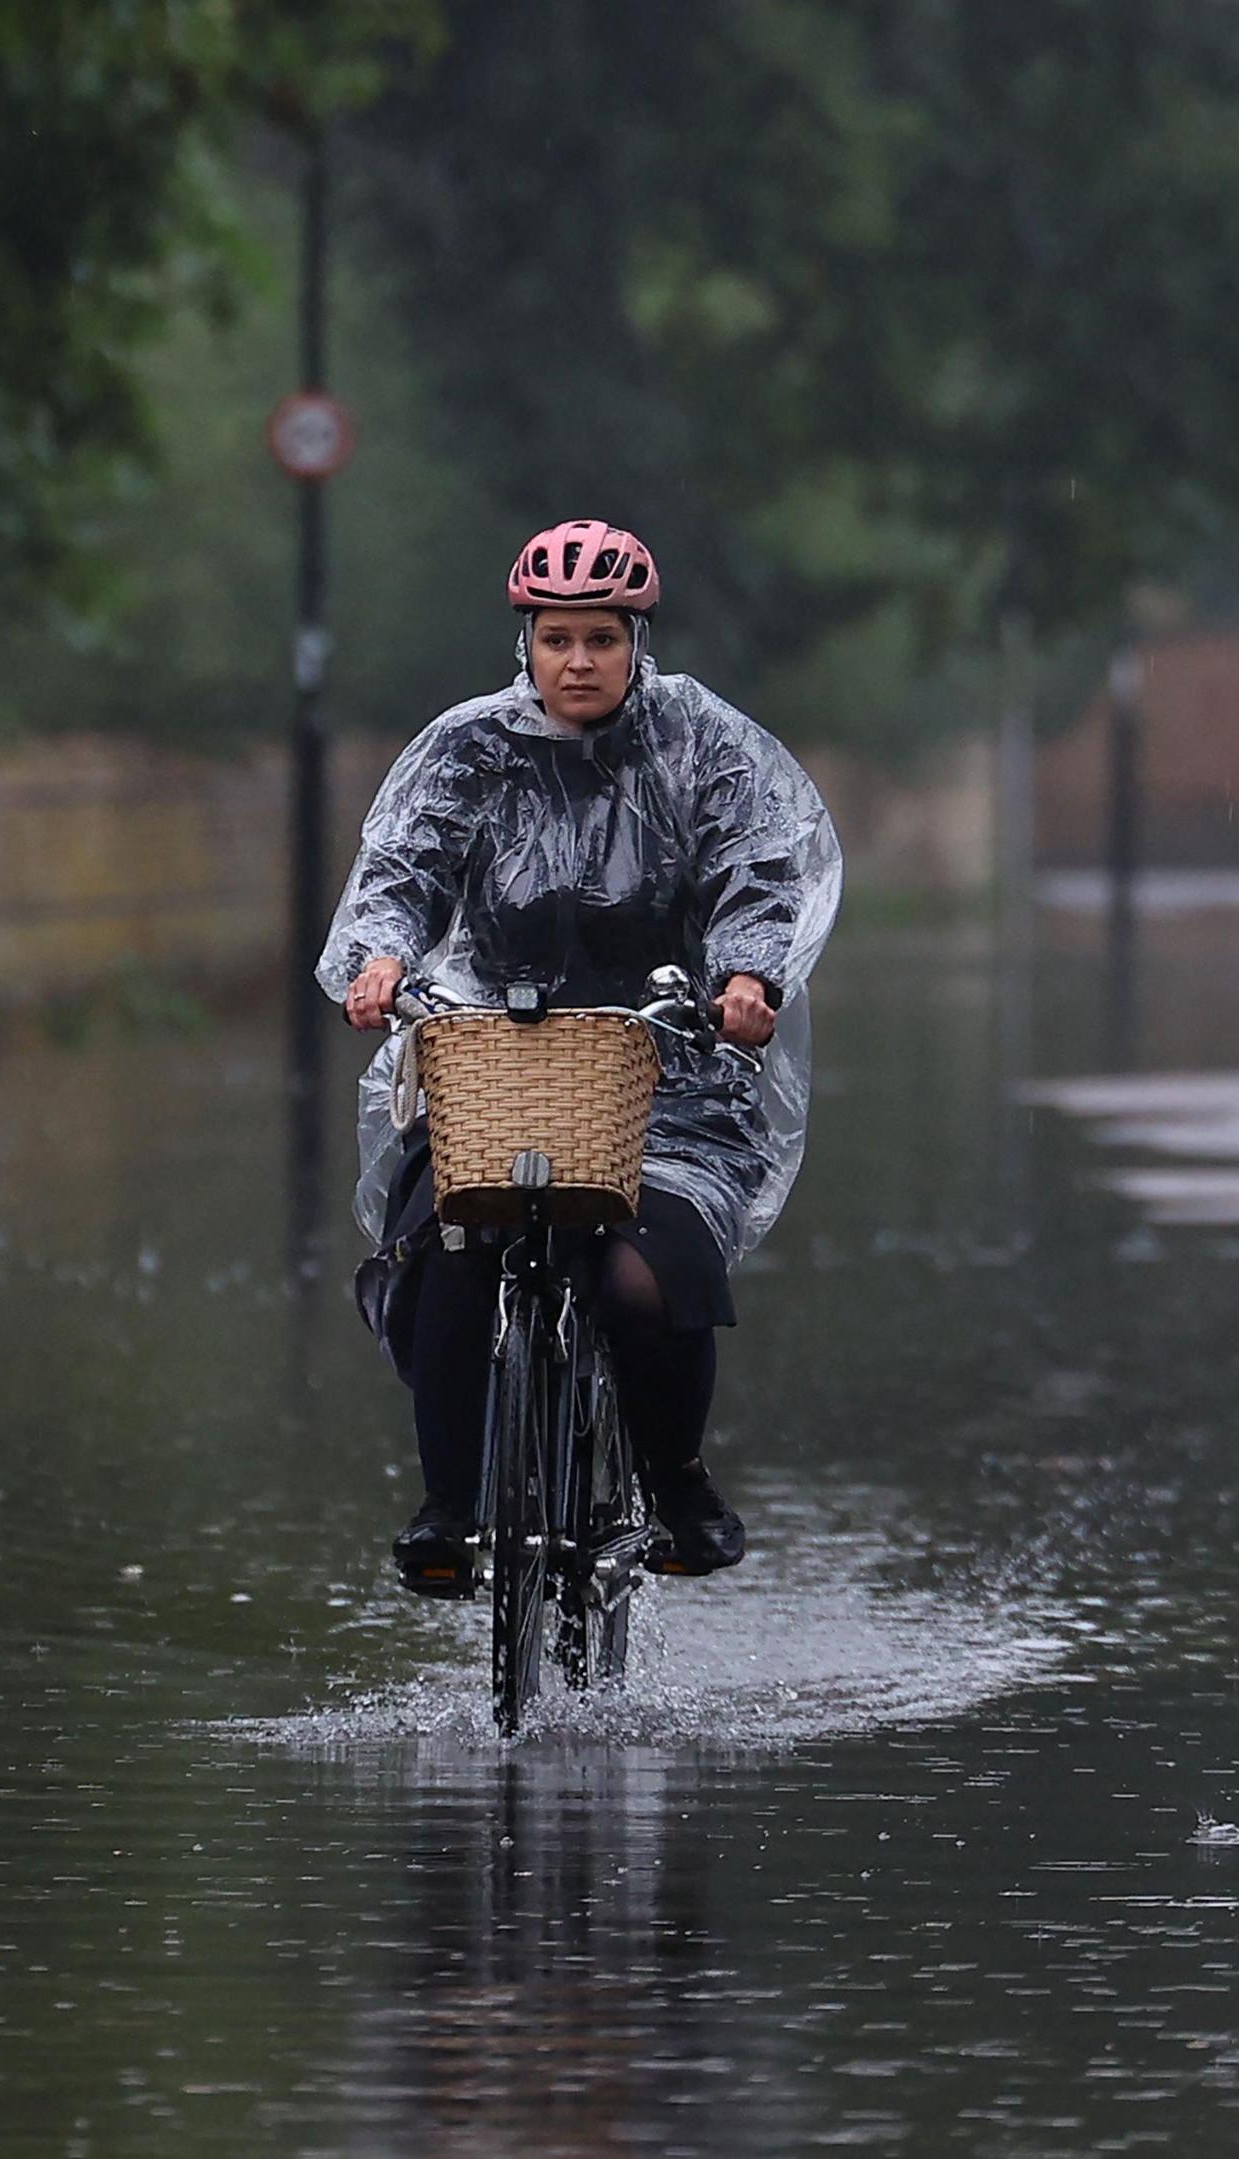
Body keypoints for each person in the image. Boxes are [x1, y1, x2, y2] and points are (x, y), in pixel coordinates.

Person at [318, 520, 842, 1595]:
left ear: (637, 640)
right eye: (558, 638)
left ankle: (679, 1479)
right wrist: (380, 957)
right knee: (454, 1240)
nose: (580, 661)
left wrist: (746, 976)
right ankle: (451, 1504)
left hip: (669, 1062)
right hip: (496, 1060)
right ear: (527, 641)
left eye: (602, 638)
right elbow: (405, 865)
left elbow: (757, 861)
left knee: (645, 1276)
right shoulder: (472, 747)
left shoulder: (700, 741)